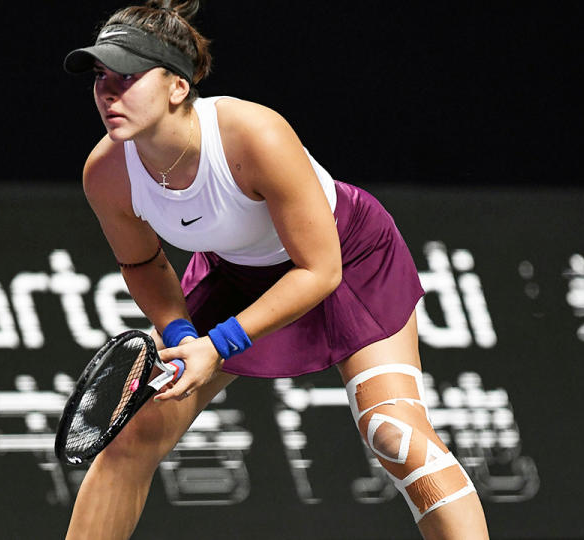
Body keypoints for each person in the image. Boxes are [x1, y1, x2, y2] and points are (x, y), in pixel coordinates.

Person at [62, 1, 490, 538]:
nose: (108, 90)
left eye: (127, 74)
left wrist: (216, 346)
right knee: (133, 431)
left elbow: (319, 270)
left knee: (393, 433)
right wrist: (180, 335)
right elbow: (143, 262)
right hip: (234, 274)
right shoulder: (107, 173)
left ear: (177, 87)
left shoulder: (253, 136)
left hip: (347, 259)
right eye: (100, 76)